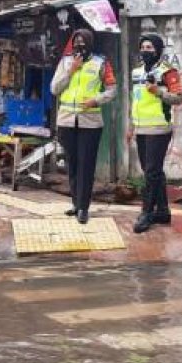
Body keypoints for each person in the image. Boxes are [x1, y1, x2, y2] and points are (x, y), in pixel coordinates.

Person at [51, 28, 117, 224]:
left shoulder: (101, 63)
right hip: (66, 121)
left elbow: (112, 90)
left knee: (86, 165)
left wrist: (96, 100)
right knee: (72, 164)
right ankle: (75, 203)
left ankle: (84, 208)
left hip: (90, 122)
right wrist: (71, 71)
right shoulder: (65, 62)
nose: (79, 45)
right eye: (76, 41)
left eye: (83, 41)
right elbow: (55, 89)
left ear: (90, 43)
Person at [128, 33, 182, 233]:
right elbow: (135, 101)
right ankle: (162, 211)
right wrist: (131, 126)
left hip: (159, 128)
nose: (145, 51)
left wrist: (159, 92)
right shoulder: (136, 72)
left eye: (150, 47)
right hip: (141, 128)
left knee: (151, 172)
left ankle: (147, 213)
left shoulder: (168, 72)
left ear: (158, 50)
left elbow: (178, 98)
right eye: (143, 47)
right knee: (153, 171)